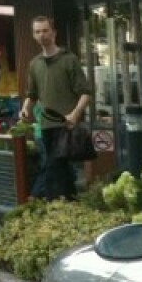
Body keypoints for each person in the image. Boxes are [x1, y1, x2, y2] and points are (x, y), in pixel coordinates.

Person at [19, 16, 91, 200]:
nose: (42, 35)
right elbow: (32, 94)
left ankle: (40, 201)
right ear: (33, 35)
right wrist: (26, 109)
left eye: (45, 30)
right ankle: (69, 204)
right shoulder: (35, 64)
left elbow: (86, 92)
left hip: (66, 126)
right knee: (62, 171)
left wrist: (75, 115)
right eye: (37, 32)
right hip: (45, 126)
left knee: (53, 168)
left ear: (54, 32)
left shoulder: (69, 59)